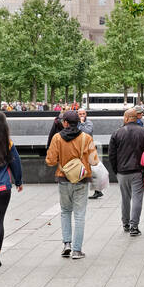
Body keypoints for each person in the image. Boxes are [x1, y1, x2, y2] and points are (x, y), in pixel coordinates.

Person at [45, 109, 93, 258]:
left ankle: (67, 244)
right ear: (78, 122)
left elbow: (50, 161)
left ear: (65, 123)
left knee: (65, 211)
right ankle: (77, 250)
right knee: (79, 215)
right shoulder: (86, 138)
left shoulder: (57, 138)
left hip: (63, 178)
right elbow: (94, 160)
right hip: (82, 180)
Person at [110, 107, 144, 236]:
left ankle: (125, 223)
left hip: (122, 171)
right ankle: (134, 226)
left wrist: (116, 170)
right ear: (136, 117)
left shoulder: (117, 133)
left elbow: (112, 155)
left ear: (126, 118)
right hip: (138, 171)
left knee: (125, 198)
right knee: (137, 198)